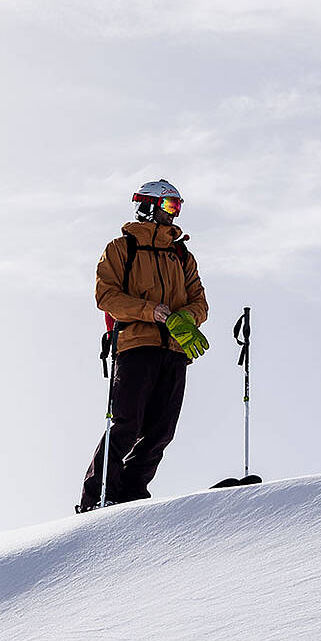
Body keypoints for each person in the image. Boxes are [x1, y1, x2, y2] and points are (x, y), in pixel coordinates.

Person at [78, 178, 209, 513]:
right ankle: (97, 497)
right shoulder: (122, 249)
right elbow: (106, 296)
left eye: (178, 207)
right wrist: (151, 311)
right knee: (126, 425)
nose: (174, 214)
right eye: (169, 206)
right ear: (149, 206)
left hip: (175, 351)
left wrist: (184, 320)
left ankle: (130, 496)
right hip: (135, 346)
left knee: (161, 431)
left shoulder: (182, 255)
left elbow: (200, 303)